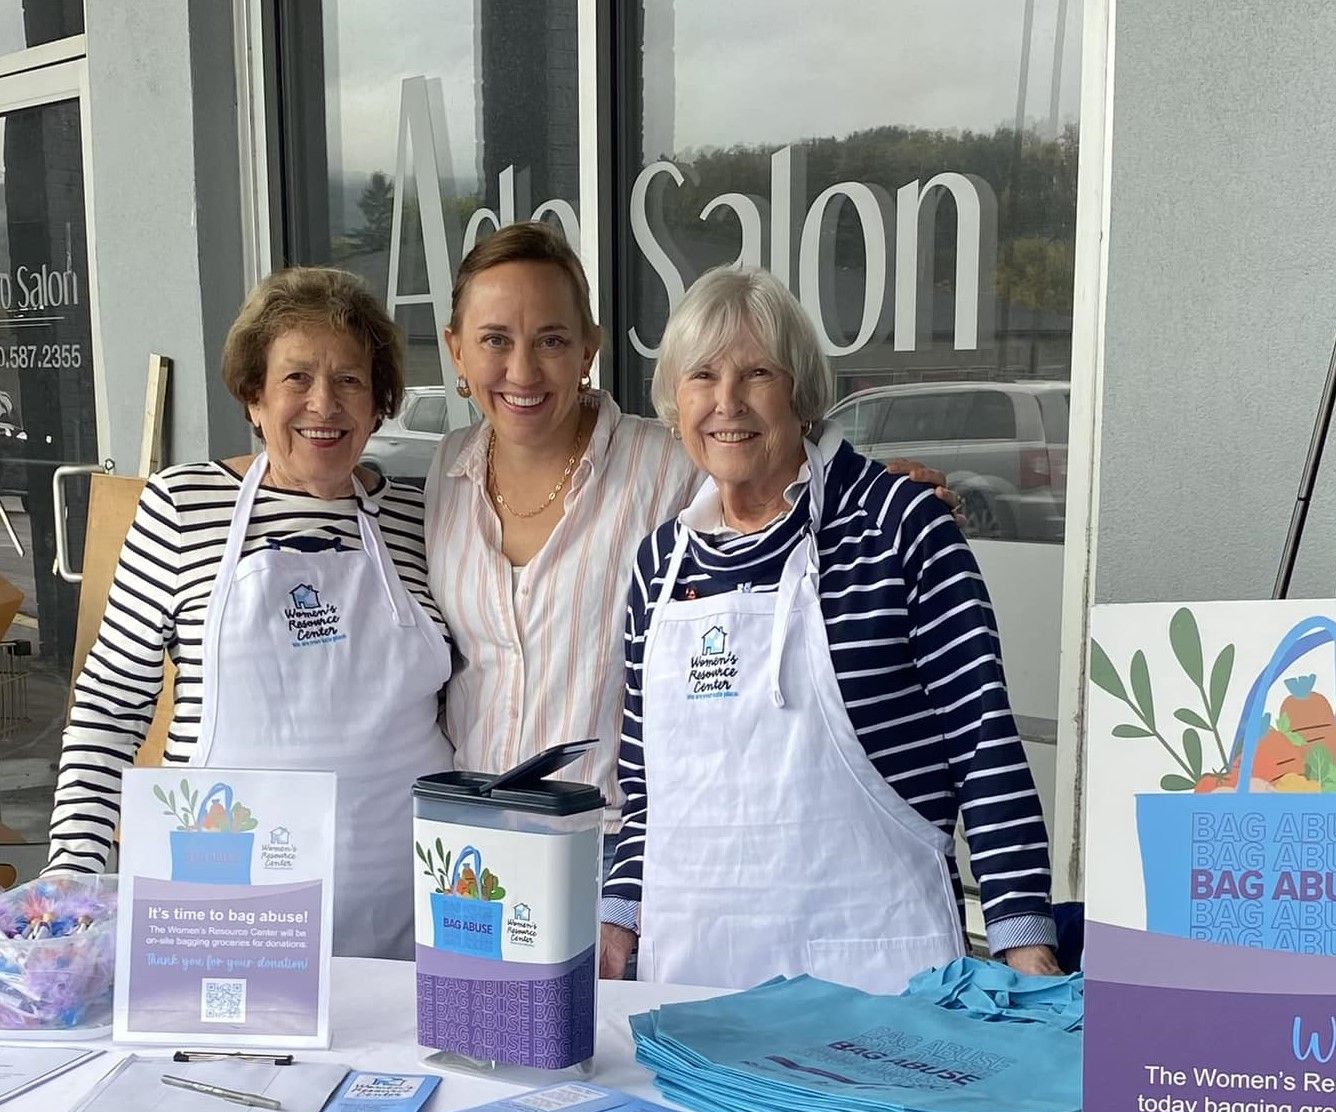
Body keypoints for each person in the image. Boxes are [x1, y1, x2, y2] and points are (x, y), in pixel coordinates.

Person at [426, 223, 959, 872]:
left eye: (552, 340)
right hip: (467, 847)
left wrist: (876, 488)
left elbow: (773, 467)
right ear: (455, 351)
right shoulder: (441, 477)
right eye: (494, 341)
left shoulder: (670, 463)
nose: (522, 370)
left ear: (589, 347)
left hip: (621, 849)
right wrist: (261, 465)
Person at [599, 265, 1060, 992]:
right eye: (702, 376)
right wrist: (619, 918)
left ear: (800, 393)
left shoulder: (903, 527)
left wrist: (1023, 942)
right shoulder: (660, 561)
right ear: (674, 399)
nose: (727, 402)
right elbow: (643, 782)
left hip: (878, 972)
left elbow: (984, 742)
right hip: (691, 976)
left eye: (757, 373)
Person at [46, 267, 453, 959]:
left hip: (411, 911)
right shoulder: (183, 507)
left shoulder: (422, 515)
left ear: (380, 401)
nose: (323, 404)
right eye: (296, 378)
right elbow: (111, 706)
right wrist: (72, 873)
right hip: (223, 910)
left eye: (350, 380)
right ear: (253, 396)